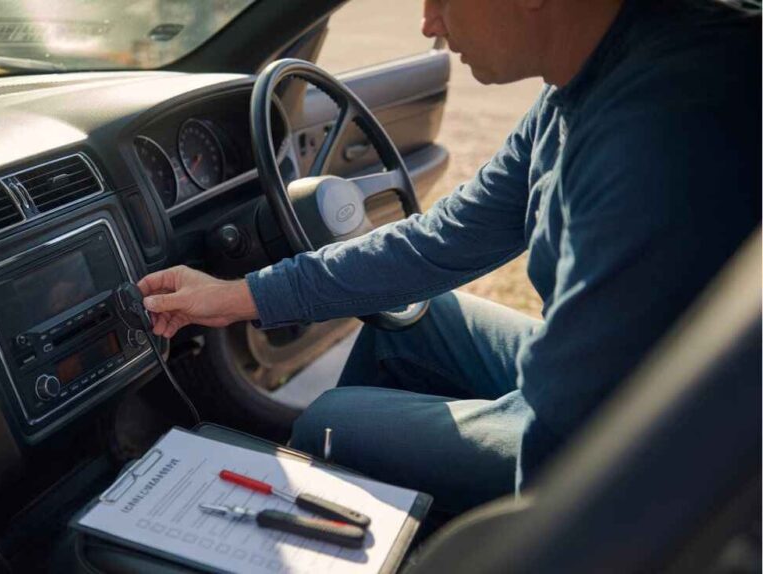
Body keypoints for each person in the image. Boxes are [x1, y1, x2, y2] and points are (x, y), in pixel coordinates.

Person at [137, 0, 761, 513]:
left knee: (333, 421)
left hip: (646, 451)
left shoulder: (653, 135)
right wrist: (238, 296)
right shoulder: (584, 82)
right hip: (622, 380)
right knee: (419, 321)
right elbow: (442, 238)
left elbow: (565, 472)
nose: (429, 22)